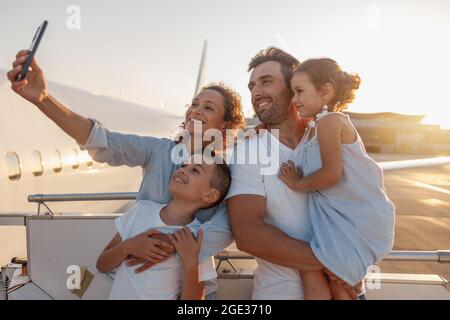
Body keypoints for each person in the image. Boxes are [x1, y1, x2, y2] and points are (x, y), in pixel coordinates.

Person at [7, 50, 245, 290]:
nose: (195, 110)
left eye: (208, 107)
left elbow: (226, 230)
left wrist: (154, 246)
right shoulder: (158, 151)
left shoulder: (227, 173)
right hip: (137, 283)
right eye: (194, 104)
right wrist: (43, 99)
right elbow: (102, 141)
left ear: (225, 125)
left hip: (191, 286)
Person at [227, 47, 362, 300]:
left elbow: (363, 199)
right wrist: (335, 263)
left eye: (266, 81)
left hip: (349, 287)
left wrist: (355, 259)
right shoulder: (248, 150)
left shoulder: (331, 132)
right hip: (282, 293)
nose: (256, 91)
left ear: (295, 86)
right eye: (252, 86)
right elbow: (247, 234)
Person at [278, 58, 395, 299]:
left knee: (341, 286)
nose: (294, 99)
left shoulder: (330, 122)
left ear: (326, 91)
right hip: (338, 222)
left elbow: (332, 174)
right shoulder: (317, 126)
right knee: (334, 282)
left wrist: (297, 184)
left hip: (355, 221)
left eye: (300, 91)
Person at [97, 157, 232, 299]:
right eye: (184, 165)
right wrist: (127, 247)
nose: (182, 170)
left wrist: (191, 263)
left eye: (195, 170)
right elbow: (102, 265)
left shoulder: (196, 238)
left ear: (209, 195)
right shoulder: (140, 210)